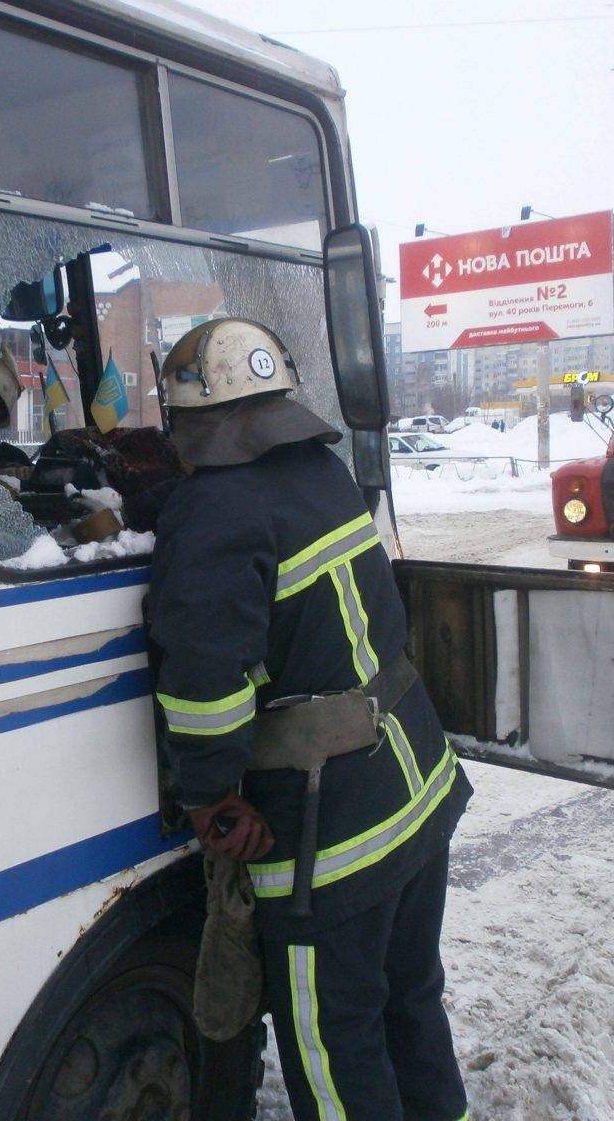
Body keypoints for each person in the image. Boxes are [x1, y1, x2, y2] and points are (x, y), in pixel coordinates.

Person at [148, 317, 473, 1121]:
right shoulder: (323, 471)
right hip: (415, 791)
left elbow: (206, 693)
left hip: (329, 845)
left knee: (334, 1044)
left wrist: (210, 798)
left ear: (190, 421)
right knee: (410, 1003)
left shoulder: (210, 514)